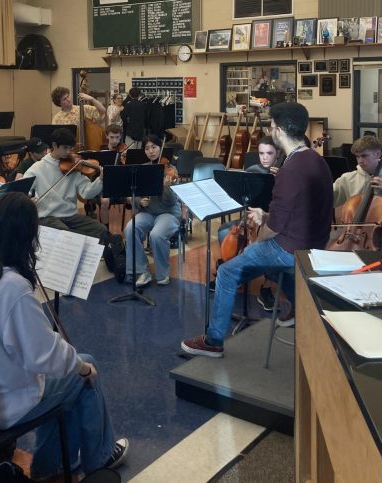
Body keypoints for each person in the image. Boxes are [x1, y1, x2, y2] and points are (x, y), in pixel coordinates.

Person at [0, 192, 128, 481]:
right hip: (6, 402)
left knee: (68, 381)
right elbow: (43, 357)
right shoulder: (11, 288)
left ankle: (52, 465)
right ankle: (100, 459)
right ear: (24, 236)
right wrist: (82, 368)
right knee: (83, 371)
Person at [181, 102, 334, 358]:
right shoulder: (317, 161)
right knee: (269, 267)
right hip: (313, 242)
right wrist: (266, 215)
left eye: (273, 126)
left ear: (281, 130)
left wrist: (259, 231)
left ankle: (213, 341)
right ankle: (297, 308)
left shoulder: (290, 170)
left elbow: (272, 231)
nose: (271, 130)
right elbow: (299, 209)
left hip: (289, 247)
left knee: (228, 272)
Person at [216, 136, 282, 309]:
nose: (265, 157)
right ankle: (235, 275)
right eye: (261, 153)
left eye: (269, 153)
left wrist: (280, 180)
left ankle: (266, 288)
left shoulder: (284, 173)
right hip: (251, 217)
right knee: (224, 232)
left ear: (278, 154)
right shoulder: (252, 170)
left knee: (268, 243)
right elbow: (242, 200)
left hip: (272, 219)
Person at [24, 128, 108, 239]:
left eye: (70, 148)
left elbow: (86, 193)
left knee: (100, 230)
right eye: (65, 148)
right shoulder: (37, 168)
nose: (68, 152)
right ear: (54, 145)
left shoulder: (74, 166)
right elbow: (23, 189)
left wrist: (100, 180)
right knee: (67, 235)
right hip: (48, 217)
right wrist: (28, 200)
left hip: (70, 216)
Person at [124, 135, 180, 287]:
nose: (151, 151)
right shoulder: (143, 168)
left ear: (160, 148)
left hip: (168, 214)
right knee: (130, 228)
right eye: (147, 148)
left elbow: (171, 202)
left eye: (154, 147)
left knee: (156, 235)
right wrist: (139, 201)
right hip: (148, 212)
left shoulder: (170, 170)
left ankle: (162, 274)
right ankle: (142, 271)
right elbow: (134, 194)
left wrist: (167, 188)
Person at [99, 124, 127, 230]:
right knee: (105, 202)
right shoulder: (102, 152)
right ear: (107, 136)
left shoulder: (124, 151)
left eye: (117, 137)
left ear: (120, 137)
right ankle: (105, 231)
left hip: (121, 186)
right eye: (112, 137)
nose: (115, 141)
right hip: (106, 185)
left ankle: (133, 230)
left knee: (134, 199)